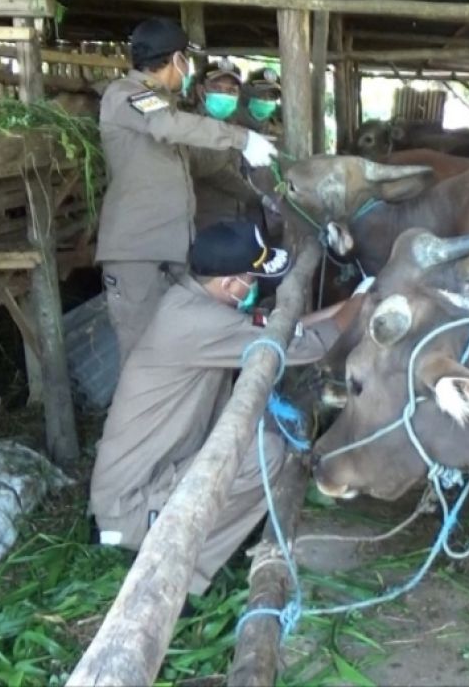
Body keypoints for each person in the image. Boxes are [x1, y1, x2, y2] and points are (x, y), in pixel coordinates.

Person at [89, 220, 350, 595]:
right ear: (229, 285)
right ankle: (181, 578)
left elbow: (282, 329)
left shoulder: (195, 301)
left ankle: (198, 544)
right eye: (252, 278)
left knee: (261, 429)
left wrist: (348, 304)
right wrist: (360, 306)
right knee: (266, 454)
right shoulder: (197, 322)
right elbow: (305, 346)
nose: (256, 288)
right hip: (129, 505)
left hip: (153, 473)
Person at [96, 17, 278, 363]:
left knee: (180, 345)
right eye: (186, 60)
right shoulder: (126, 95)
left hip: (174, 250)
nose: (187, 68)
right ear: (176, 59)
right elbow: (166, 126)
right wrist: (240, 138)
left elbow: (201, 165)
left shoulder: (164, 107)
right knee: (142, 354)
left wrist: (258, 194)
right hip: (140, 253)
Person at [187, 59, 268, 229]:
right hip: (203, 221)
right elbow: (215, 172)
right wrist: (259, 198)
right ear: (201, 90)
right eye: (217, 89)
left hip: (237, 216)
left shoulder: (233, 124)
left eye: (231, 91)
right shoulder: (189, 126)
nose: (225, 95)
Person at [240, 67, 284, 137]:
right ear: (246, 92)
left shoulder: (278, 123)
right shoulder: (232, 119)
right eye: (261, 93)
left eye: (271, 96)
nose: (266, 99)